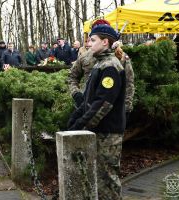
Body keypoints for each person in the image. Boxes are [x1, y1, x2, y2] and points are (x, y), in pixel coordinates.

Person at [67, 24, 126, 199]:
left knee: (107, 181)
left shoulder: (110, 67)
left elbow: (103, 103)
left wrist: (81, 125)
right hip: (100, 130)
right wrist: (77, 116)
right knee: (98, 179)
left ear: (105, 42)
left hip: (108, 132)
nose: (89, 44)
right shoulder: (100, 64)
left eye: (93, 40)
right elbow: (89, 98)